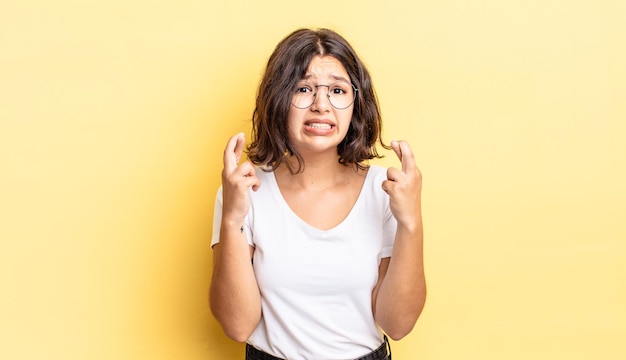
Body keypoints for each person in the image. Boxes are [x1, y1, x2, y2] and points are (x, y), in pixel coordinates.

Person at [209, 28, 426, 360]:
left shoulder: (386, 192)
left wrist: (410, 222)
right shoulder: (244, 189)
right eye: (304, 88)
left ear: (356, 103)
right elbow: (238, 326)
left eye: (337, 90)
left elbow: (396, 325)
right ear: (279, 99)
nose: (321, 105)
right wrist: (232, 219)